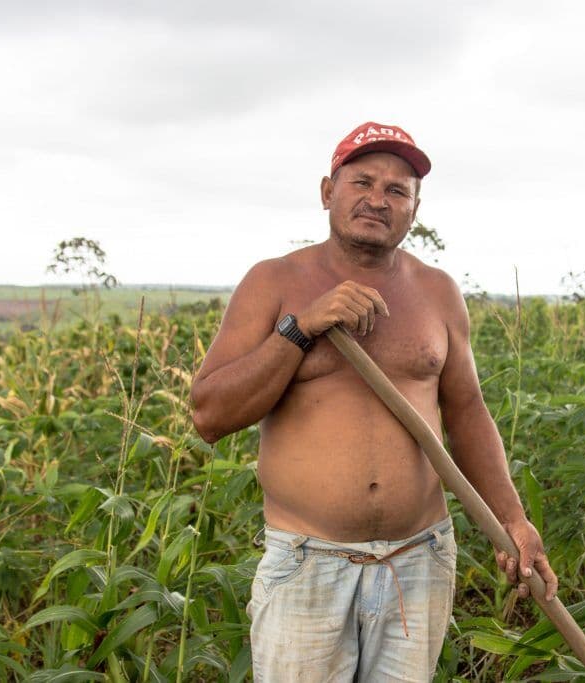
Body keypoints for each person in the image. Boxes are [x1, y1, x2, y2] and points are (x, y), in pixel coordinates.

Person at [190, 122, 558, 682]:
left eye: (397, 191)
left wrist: (514, 520)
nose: (378, 200)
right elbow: (210, 415)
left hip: (419, 561)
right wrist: (301, 328)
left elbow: (467, 413)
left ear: (414, 210)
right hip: (308, 565)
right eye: (362, 182)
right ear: (326, 192)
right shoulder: (275, 282)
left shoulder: (437, 291)